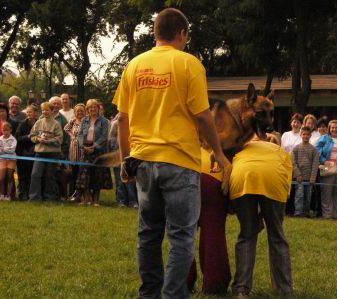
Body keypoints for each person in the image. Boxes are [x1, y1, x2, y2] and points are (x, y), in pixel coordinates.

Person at [114, 8, 230, 298]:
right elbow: (202, 116)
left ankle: (149, 294)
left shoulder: (133, 66)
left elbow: (123, 119)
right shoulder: (189, 64)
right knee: (181, 237)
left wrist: (123, 160)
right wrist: (218, 151)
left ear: (155, 33)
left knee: (148, 235)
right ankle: (173, 295)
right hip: (179, 161)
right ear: (182, 34)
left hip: (142, 161)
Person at [229, 140, 293, 297]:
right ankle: (284, 290)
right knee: (276, 235)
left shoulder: (241, 146)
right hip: (273, 179)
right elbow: (287, 181)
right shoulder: (280, 150)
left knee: (247, 234)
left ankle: (241, 289)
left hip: (241, 176)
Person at [187, 146, 231, 294]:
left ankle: (182, 280)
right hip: (214, 176)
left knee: (183, 233)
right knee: (213, 233)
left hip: (185, 170)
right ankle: (214, 284)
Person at [76, 99, 110, 206]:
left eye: (94, 107)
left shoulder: (104, 121)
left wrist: (94, 147)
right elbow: (80, 134)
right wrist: (83, 146)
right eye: (90, 107)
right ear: (87, 109)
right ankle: (86, 199)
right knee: (84, 175)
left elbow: (104, 137)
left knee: (97, 174)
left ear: (98, 108)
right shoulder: (84, 120)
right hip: (85, 150)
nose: (92, 109)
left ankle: (96, 200)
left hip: (98, 150)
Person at [316, 120, 337, 219]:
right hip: (328, 170)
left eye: (336, 128)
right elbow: (317, 151)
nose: (334, 129)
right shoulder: (324, 138)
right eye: (332, 127)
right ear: (329, 128)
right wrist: (323, 161)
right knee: (327, 193)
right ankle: (327, 215)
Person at [29, 102, 63, 201]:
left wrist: (49, 141)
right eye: (43, 110)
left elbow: (59, 139)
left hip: (52, 154)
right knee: (35, 174)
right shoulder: (38, 122)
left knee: (50, 176)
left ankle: (49, 197)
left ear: (52, 111)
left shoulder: (56, 124)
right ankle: (34, 197)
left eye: (47, 110)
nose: (45, 112)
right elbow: (31, 135)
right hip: (39, 153)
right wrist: (38, 139)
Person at [108, 115, 138, 208]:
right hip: (117, 155)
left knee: (130, 180)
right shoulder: (116, 123)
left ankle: (133, 201)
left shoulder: (135, 122)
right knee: (119, 180)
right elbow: (111, 138)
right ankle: (122, 200)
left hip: (131, 155)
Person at [292, 126, 319, 217]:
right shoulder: (296, 148)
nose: (305, 136)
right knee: (299, 195)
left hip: (309, 178)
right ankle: (298, 213)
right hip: (299, 178)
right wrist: (297, 174)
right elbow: (293, 163)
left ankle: (306, 213)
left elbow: (315, 164)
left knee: (308, 196)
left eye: (307, 135)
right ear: (300, 135)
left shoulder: (314, 149)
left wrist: (313, 177)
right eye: (304, 134)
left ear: (310, 135)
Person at [15, 105, 38, 201]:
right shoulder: (22, 124)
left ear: (36, 113)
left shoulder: (39, 123)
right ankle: (23, 194)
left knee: (33, 175)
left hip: (36, 152)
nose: (28, 114)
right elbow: (17, 138)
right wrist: (28, 137)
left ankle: (33, 194)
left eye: (30, 112)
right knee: (23, 175)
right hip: (23, 153)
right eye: (27, 112)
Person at [48, 96, 70, 200]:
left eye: (58, 103)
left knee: (59, 175)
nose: (56, 105)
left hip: (58, 152)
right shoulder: (42, 117)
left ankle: (60, 195)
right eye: (54, 103)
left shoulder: (63, 119)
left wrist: (63, 151)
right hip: (45, 151)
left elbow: (66, 137)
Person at [64, 103, 86, 201]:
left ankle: (81, 195)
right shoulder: (72, 121)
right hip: (73, 149)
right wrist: (71, 135)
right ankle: (72, 194)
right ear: (75, 112)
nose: (80, 113)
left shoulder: (86, 121)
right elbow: (66, 128)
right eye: (78, 111)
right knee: (73, 172)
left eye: (82, 111)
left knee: (81, 173)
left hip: (83, 148)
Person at [0, 122, 17, 201]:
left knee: (10, 178)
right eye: (3, 130)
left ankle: (8, 196)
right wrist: (6, 149)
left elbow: (12, 150)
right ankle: (1, 195)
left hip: (11, 160)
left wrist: (3, 149)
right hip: (2, 160)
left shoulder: (13, 139)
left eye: (7, 130)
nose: (5, 132)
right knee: (1, 179)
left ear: (10, 130)